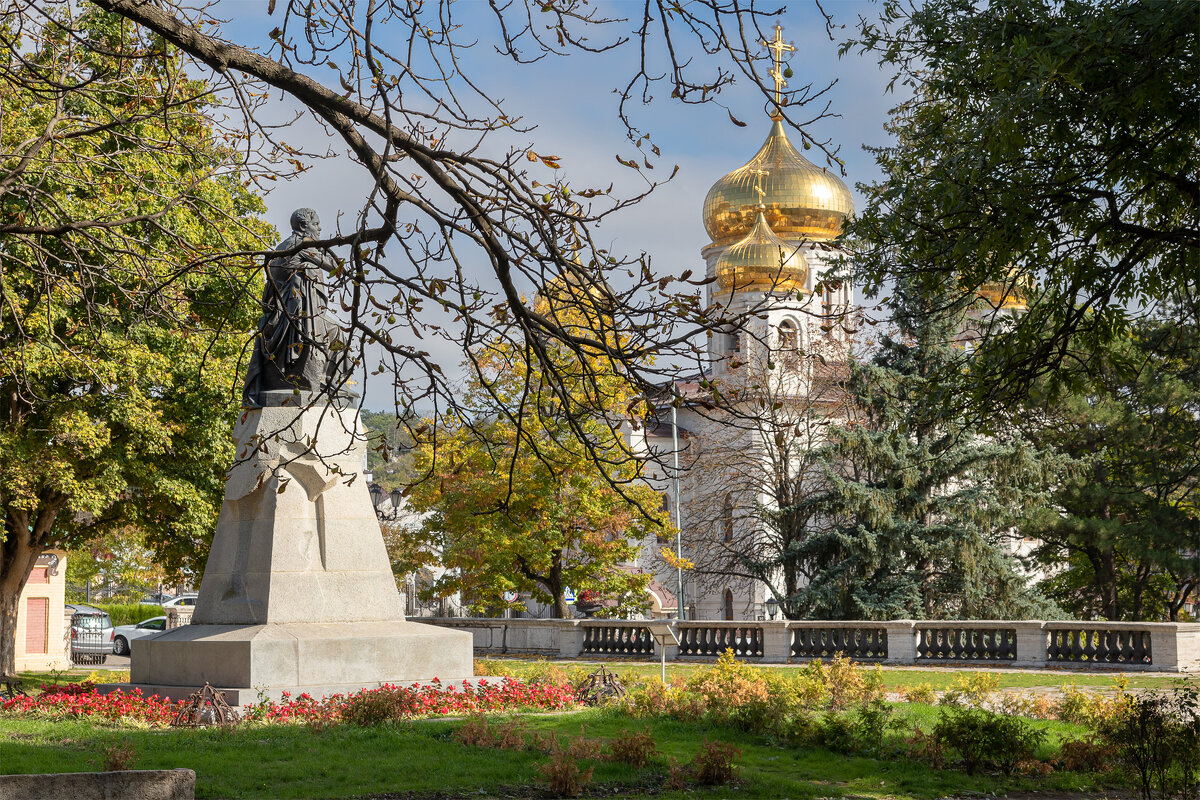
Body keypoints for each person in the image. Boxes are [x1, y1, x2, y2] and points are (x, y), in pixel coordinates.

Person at [242, 208, 347, 406]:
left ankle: (329, 382)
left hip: (283, 316)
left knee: (335, 331)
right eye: (316, 224)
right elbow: (335, 267)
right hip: (298, 316)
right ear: (303, 226)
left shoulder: (283, 246)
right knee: (336, 333)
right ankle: (331, 383)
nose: (319, 228)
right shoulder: (301, 246)